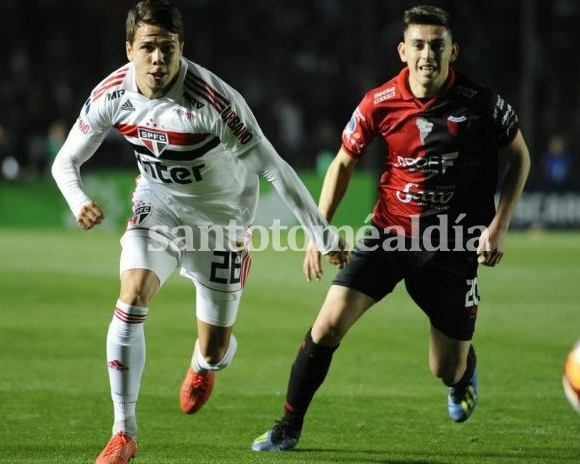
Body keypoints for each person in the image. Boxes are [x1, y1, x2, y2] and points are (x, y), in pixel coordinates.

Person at [51, 1, 347, 463]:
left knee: (214, 346)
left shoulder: (214, 101)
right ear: (129, 49)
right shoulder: (112, 94)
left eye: (166, 48)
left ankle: (204, 364)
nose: (157, 59)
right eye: (147, 47)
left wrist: (321, 232)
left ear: (180, 48)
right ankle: (123, 432)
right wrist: (77, 200)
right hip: (158, 207)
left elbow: (275, 169)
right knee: (130, 299)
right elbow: (65, 161)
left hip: (222, 224)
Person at [251, 4, 530, 452]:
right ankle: (288, 424)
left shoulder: (483, 104)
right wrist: (318, 230)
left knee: (445, 368)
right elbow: (343, 163)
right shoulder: (379, 102)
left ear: (452, 50)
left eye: (437, 46)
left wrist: (499, 224)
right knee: (327, 324)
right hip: (389, 234)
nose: (427, 55)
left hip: (452, 246)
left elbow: (520, 157)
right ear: (403, 51)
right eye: (418, 45)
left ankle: (464, 374)